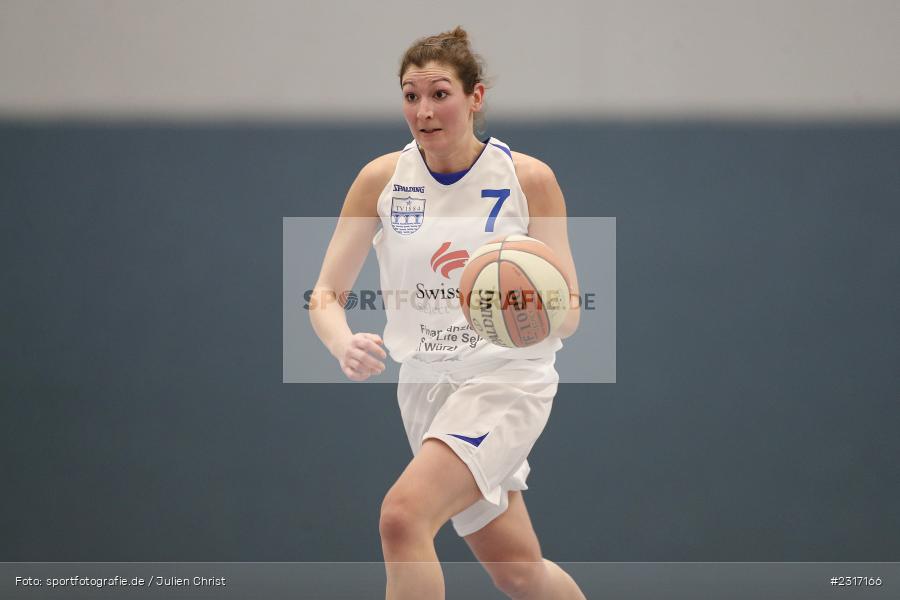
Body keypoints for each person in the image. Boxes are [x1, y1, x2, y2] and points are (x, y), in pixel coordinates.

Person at [310, 26, 586, 600]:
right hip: (425, 385)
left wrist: (523, 305)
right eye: (411, 96)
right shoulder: (382, 180)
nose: (424, 110)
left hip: (506, 380)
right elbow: (326, 295)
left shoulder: (527, 179)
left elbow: (571, 314)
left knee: (402, 518)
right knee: (518, 571)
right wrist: (342, 343)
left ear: (475, 97)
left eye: (440, 94)